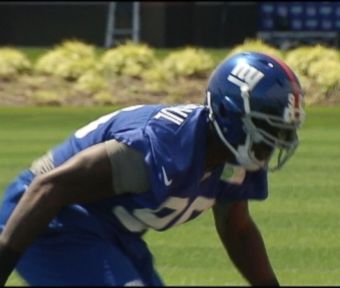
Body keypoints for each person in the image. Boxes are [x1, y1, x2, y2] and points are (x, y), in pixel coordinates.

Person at [0, 51, 305, 286]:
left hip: (111, 232)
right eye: (267, 127)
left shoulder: (237, 154)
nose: (275, 142)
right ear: (228, 113)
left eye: (282, 131)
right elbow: (49, 187)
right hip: (50, 220)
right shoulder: (158, 147)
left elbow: (237, 230)